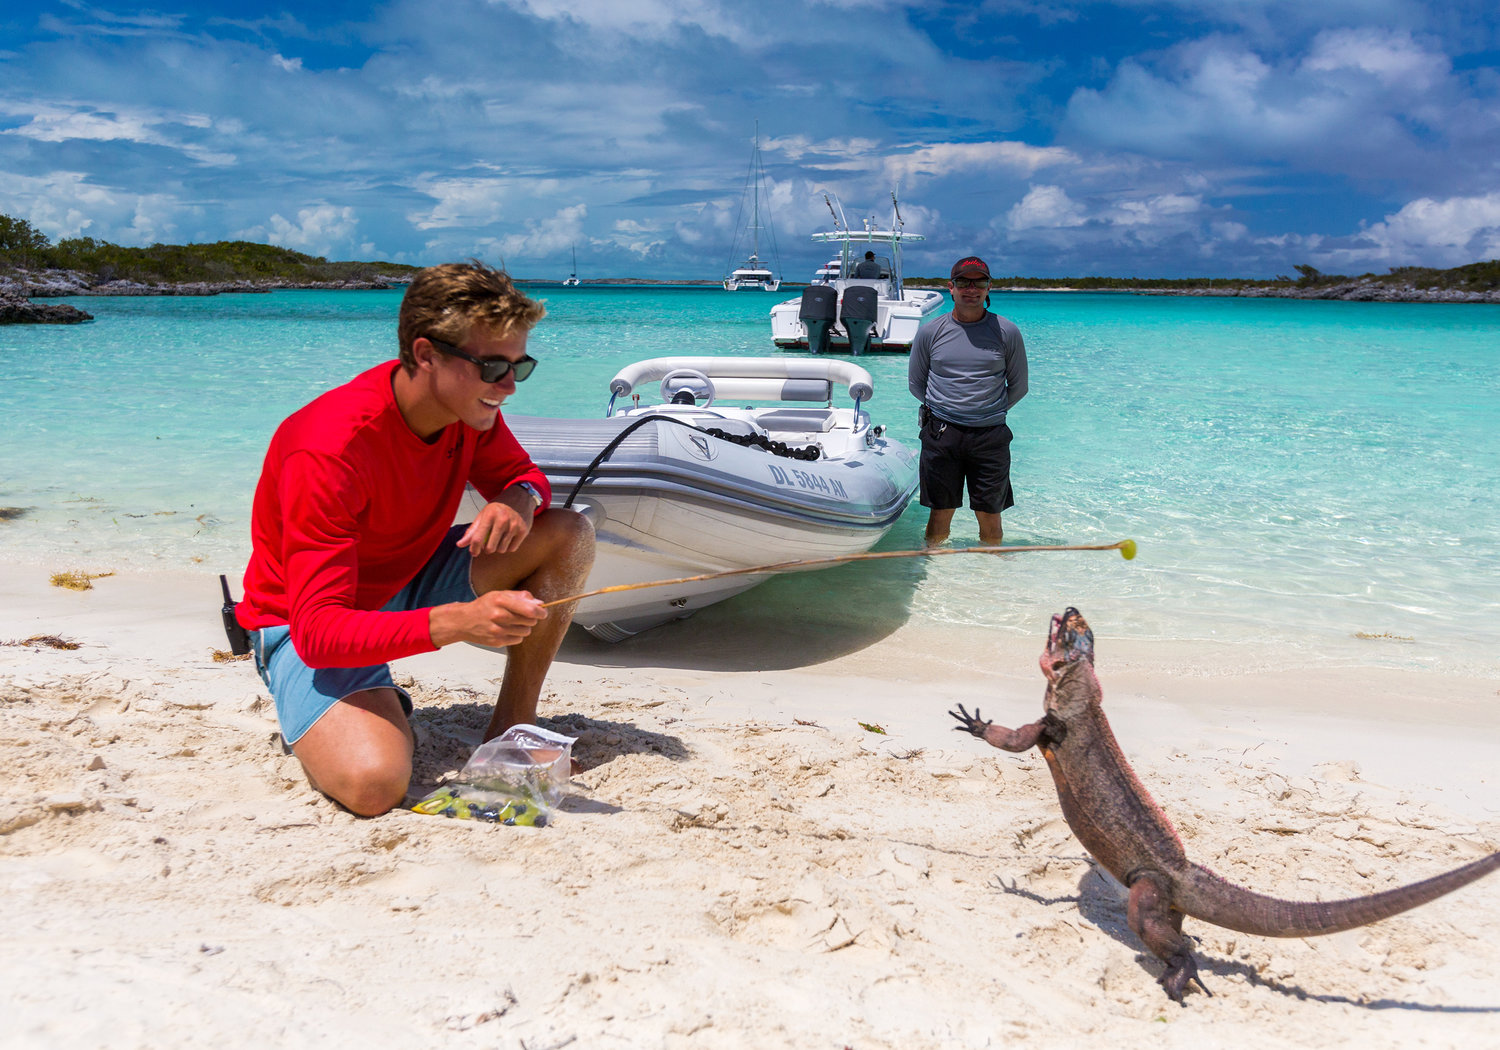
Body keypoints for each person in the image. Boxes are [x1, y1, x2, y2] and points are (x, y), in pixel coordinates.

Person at [235, 261, 596, 816]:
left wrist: (517, 498)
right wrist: (461, 623)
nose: (506, 385)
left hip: (408, 573)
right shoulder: (329, 451)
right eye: (493, 366)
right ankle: (338, 704)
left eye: (519, 366)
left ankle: (510, 728)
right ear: (427, 354)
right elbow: (318, 633)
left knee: (568, 533)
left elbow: (524, 475)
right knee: (374, 786)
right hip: (302, 621)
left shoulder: (465, 408)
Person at [907, 255, 1028, 547]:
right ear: (951, 287)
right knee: (940, 512)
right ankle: (934, 576)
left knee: (990, 515)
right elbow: (916, 383)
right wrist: (948, 409)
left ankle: (990, 577)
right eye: (963, 282)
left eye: (979, 282)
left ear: (988, 288)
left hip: (990, 436)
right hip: (942, 434)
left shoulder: (1007, 332)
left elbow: (1020, 386)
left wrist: (987, 412)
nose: (971, 289)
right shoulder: (930, 332)